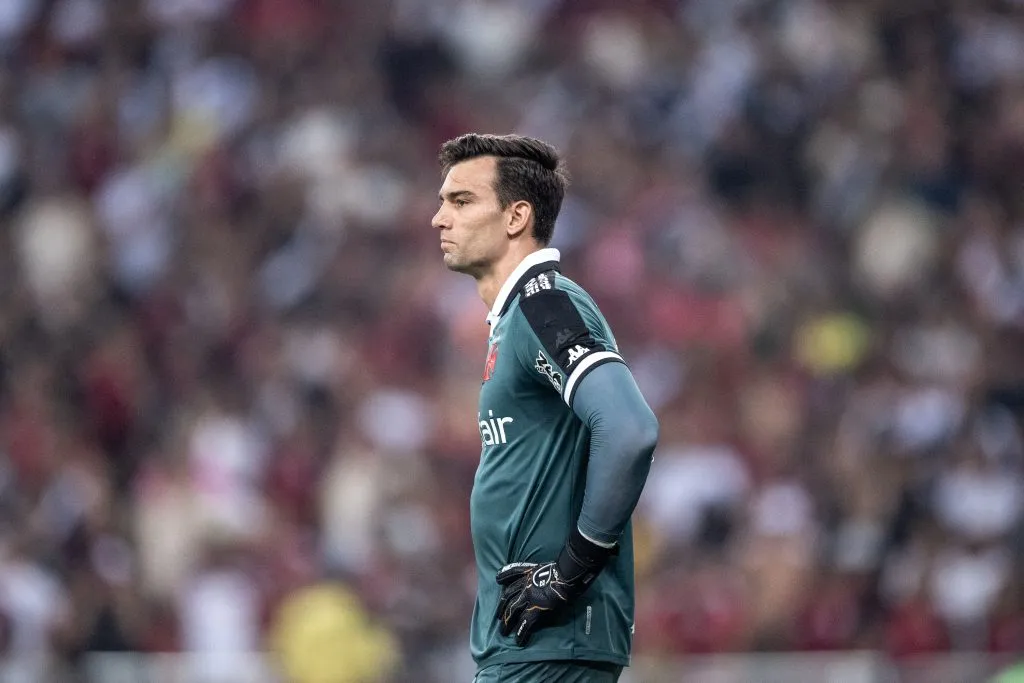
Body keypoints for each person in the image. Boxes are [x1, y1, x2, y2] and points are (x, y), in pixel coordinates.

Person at [431, 133, 660, 683]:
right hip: (532, 648)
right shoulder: (517, 318)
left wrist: (569, 570)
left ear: (516, 217)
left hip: (553, 646)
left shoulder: (544, 304)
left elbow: (629, 430)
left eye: (461, 202)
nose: (439, 219)